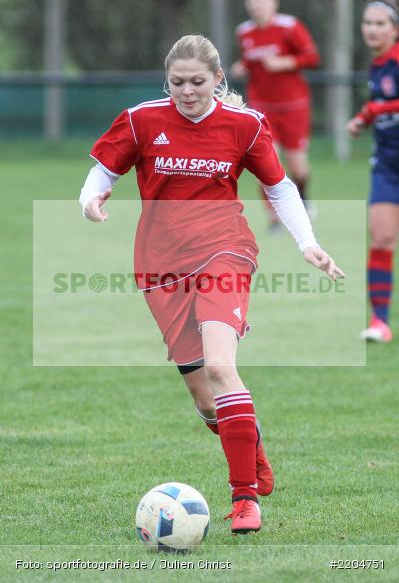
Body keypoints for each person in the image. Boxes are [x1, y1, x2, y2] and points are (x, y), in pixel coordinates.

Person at [79, 34, 344, 534]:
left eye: (197, 82)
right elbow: (102, 173)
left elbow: (279, 187)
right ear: (167, 81)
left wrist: (307, 242)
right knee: (205, 399)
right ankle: (253, 449)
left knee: (222, 367)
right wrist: (91, 200)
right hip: (160, 265)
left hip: (225, 249)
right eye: (177, 82)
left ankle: (245, 499)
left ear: (218, 79)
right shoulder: (142, 119)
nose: (186, 92)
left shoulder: (245, 125)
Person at [231, 0, 320, 226]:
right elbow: (250, 61)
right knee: (265, 162)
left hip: (293, 106)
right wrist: (242, 67)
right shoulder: (245, 32)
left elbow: (312, 57)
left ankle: (303, 200)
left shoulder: (290, 26)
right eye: (251, 0)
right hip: (262, 106)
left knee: (298, 167)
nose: (256, 5)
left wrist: (285, 62)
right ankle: (275, 216)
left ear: (274, 2)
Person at [347, 0, 399, 343]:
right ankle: (380, 322)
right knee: (380, 238)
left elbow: (386, 103)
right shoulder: (378, 65)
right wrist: (365, 118)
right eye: (368, 22)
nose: (372, 29)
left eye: (380, 23)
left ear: (395, 30)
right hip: (386, 165)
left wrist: (375, 108)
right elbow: (380, 105)